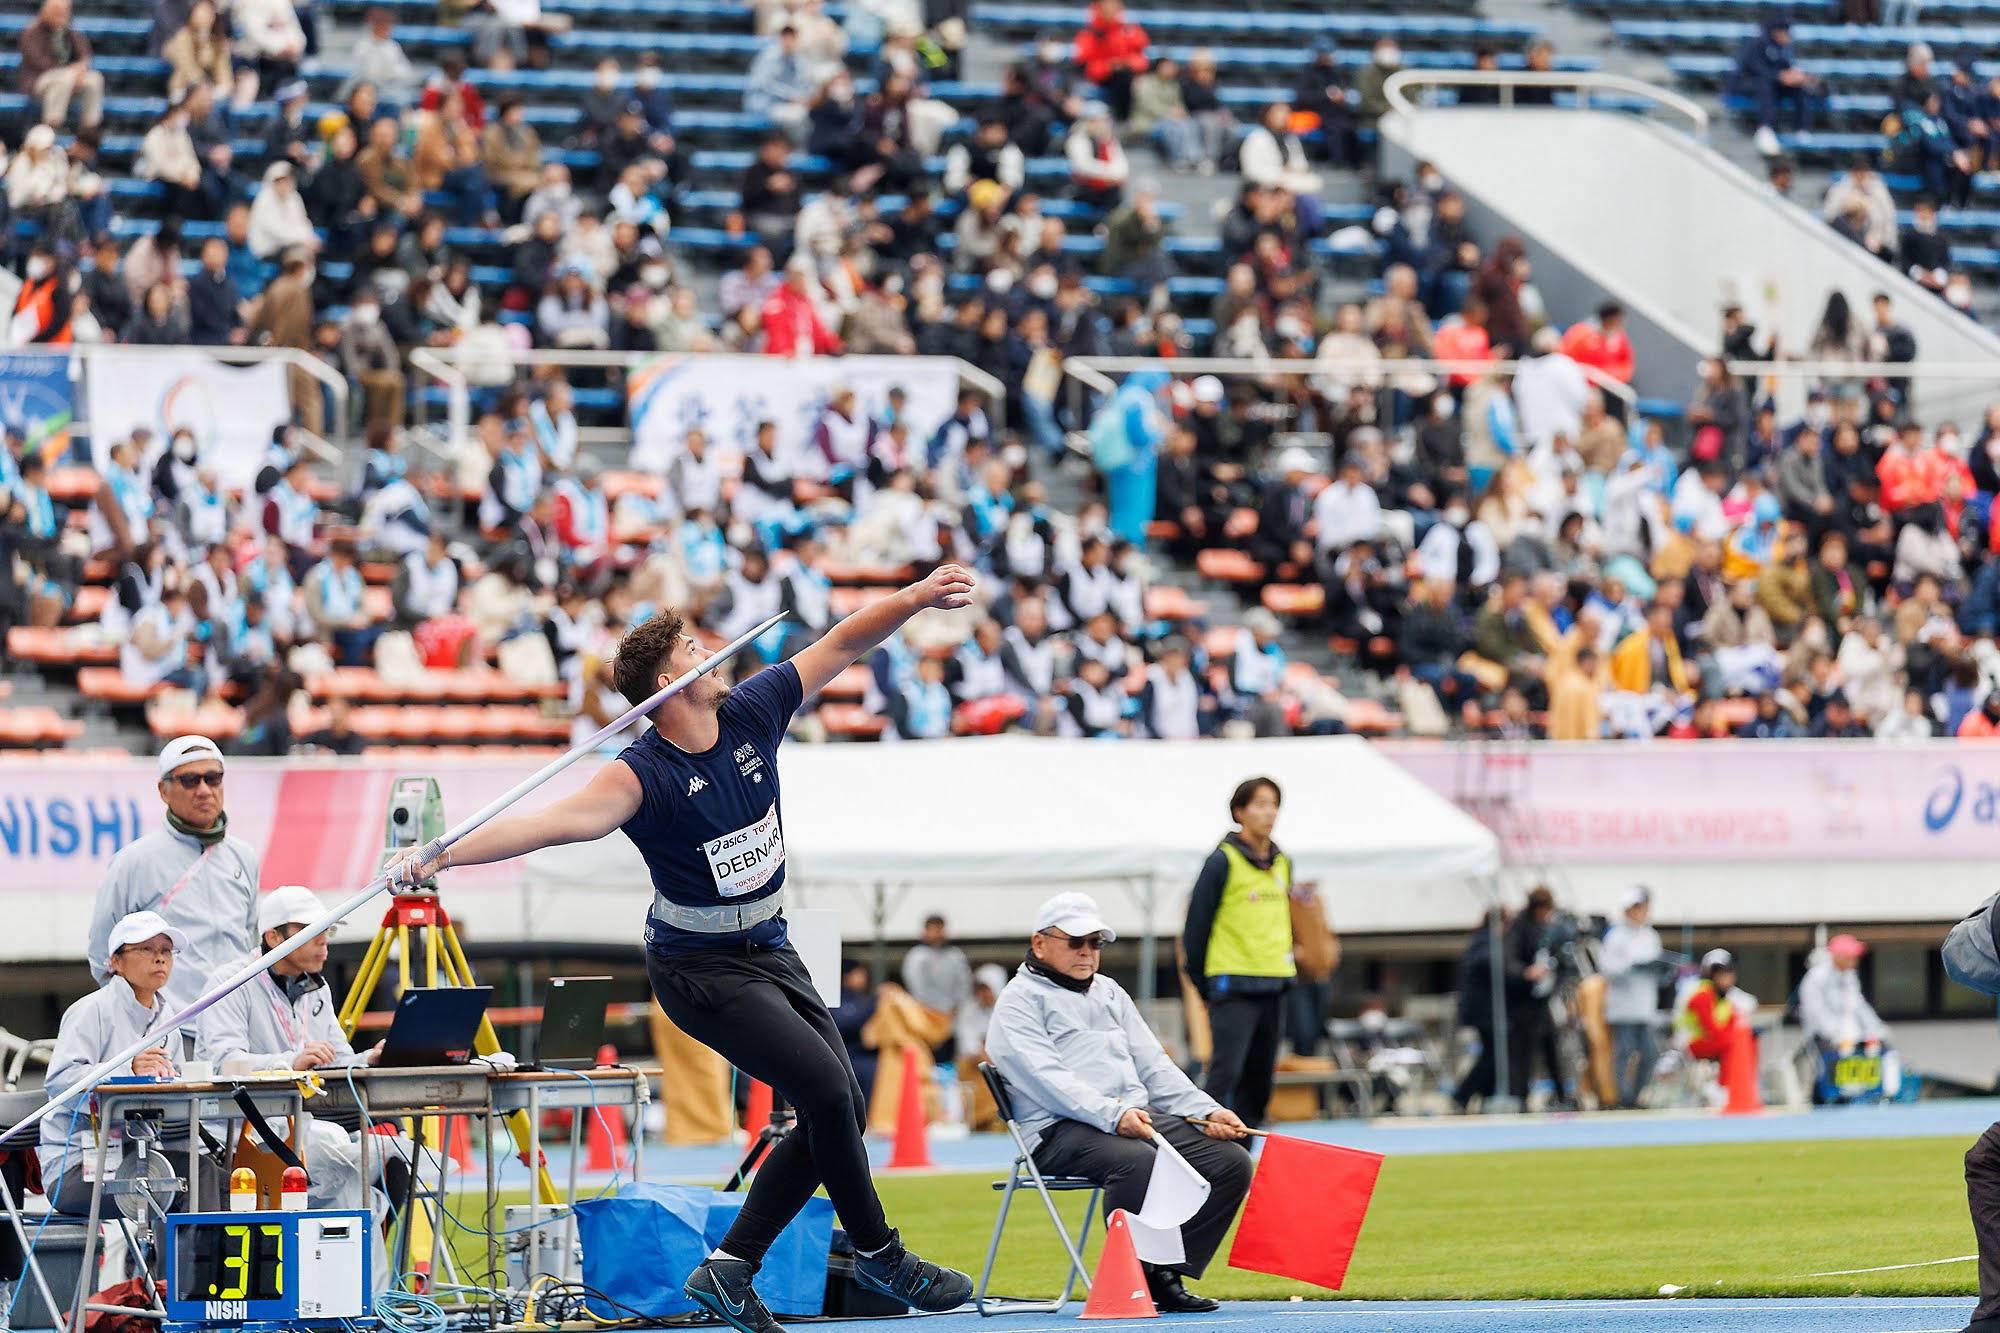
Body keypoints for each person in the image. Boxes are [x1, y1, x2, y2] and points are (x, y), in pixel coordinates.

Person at [388, 566, 981, 1333]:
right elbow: (548, 824)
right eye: (697, 648)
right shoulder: (641, 775)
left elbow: (840, 644)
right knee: (829, 1095)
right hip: (699, 968)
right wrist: (441, 853)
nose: (715, 651)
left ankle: (729, 1268)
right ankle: (880, 1252)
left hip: (770, 943)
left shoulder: (752, 709)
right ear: (672, 683)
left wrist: (916, 596)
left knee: (840, 1108)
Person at [986, 891, 1251, 1314]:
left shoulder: (1109, 991)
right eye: (1076, 941)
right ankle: (1128, 1281)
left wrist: (1205, 1110)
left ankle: (1162, 1273)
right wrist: (1113, 1115)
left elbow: (1154, 1066)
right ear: (1039, 943)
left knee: (1231, 1162)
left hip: (1129, 1117)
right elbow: (1048, 1080)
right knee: (1137, 1160)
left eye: (1095, 943)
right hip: (1056, 1130)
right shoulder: (1018, 1002)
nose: (1087, 951)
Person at [40, 911, 227, 1214]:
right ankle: (185, 1249)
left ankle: (189, 1247)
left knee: (231, 1183)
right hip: (79, 1167)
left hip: (139, 1157)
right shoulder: (90, 1011)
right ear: (116, 961)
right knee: (198, 1175)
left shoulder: (169, 1020)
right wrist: (128, 1070)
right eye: (146, 949)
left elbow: (176, 1099)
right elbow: (60, 1082)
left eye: (166, 950)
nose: (160, 958)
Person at [87, 736, 261, 1014]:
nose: (204, 790)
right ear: (164, 790)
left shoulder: (244, 856)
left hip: (236, 1024)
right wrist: (139, 1019)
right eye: (190, 780)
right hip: (168, 1025)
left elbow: (251, 943)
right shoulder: (133, 861)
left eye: (213, 779)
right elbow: (102, 955)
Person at [1182, 776, 1293, 1127]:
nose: (1269, 813)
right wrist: (1202, 982)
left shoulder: (1283, 862)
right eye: (1260, 804)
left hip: (1274, 981)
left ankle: (1241, 1156)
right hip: (1233, 983)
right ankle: (1204, 1152)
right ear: (1239, 812)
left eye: (1274, 804)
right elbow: (1196, 926)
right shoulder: (1222, 861)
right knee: (1224, 1075)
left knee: (1259, 1085)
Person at [1797, 934, 1899, 1101]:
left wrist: (1877, 1029)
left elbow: (1859, 1006)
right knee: (1828, 1069)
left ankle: (1878, 1095)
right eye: (1851, 956)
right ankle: (1828, 1098)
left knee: (1879, 1051)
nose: (1855, 960)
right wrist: (1835, 1034)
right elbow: (1815, 1011)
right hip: (1824, 1037)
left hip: (1849, 1033)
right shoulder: (1817, 977)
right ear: (1838, 956)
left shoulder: (1849, 976)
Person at [1599, 886, 1663, 1109]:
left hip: (1645, 1007)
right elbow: (1606, 968)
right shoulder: (1615, 936)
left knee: (1649, 1053)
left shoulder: (1650, 936)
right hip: (1623, 1008)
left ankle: (1635, 1097)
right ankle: (1622, 1098)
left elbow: (1657, 970)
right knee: (1623, 1054)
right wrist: (1632, 965)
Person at [1504, 886, 1566, 1106]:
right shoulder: (1520, 928)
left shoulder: (1547, 928)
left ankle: (1561, 1094)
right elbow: (1509, 962)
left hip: (1541, 999)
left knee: (1551, 1048)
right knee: (1524, 1052)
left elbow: (1557, 957)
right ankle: (1521, 1097)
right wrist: (1526, 972)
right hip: (1522, 1003)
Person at [901, 914, 972, 1061]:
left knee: (949, 1058)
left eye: (940, 930)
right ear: (925, 931)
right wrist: (933, 1010)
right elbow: (917, 987)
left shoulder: (955, 955)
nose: (937, 934)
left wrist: (955, 1007)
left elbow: (964, 983)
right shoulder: (916, 956)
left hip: (951, 1018)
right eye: (933, 930)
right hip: (926, 1017)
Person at [1677, 948, 1750, 1062]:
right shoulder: (1700, 993)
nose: (1728, 979)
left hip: (1709, 1041)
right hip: (1689, 1044)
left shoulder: (1724, 996)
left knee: (1740, 1037)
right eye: (1722, 973)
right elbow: (1711, 1030)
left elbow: (1746, 1006)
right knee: (1731, 1041)